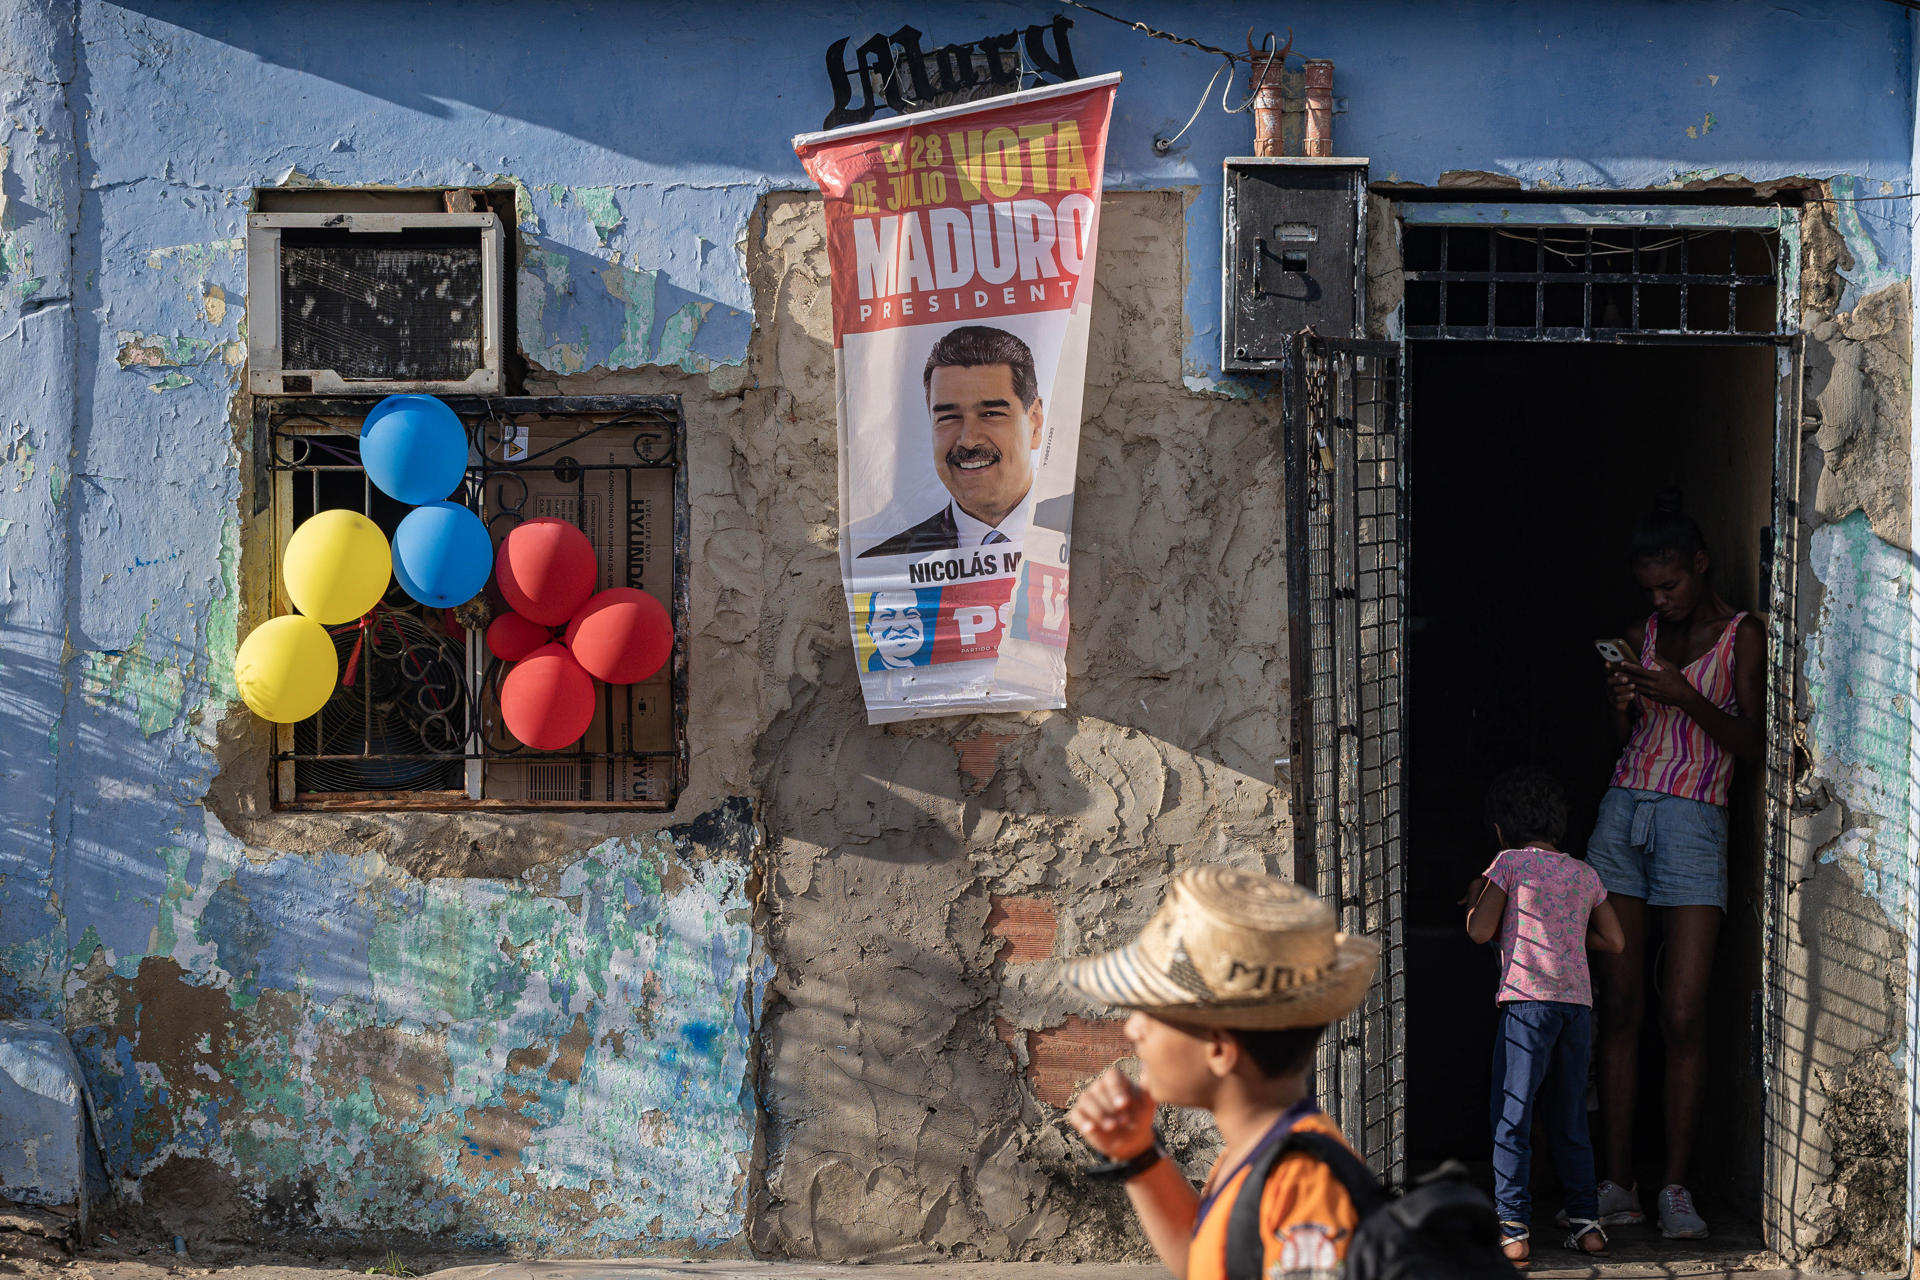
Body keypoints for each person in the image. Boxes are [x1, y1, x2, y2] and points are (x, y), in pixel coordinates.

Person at [1588, 490, 1765, 1240]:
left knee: (1684, 1012)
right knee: (1620, 1006)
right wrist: (1623, 699)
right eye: (1650, 590)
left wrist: (1684, 695)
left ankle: (1677, 1188)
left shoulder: (1743, 635)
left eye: (1671, 584)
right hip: (1623, 813)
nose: (1660, 600)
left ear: (1701, 564)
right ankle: (1617, 1183)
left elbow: (1752, 745)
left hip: (1696, 821)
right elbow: (1627, 741)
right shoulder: (1643, 636)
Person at [1061, 867, 1379, 1280]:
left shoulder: (1304, 1184)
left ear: (1218, 1049)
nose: (1132, 1029)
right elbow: (1210, 1262)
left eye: (1152, 1011)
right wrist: (1137, 1153)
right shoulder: (1252, 1152)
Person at [1465, 767, 1626, 1263]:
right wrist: (1566, 935)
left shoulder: (1508, 864)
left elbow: (1479, 930)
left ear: (1500, 829)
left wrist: (1476, 896)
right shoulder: (1584, 874)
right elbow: (1616, 941)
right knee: (1570, 1117)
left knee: (1512, 1116)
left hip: (1527, 1007)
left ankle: (1513, 1229)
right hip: (1576, 1008)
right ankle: (1587, 1226)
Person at [859, 325, 1044, 557]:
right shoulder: (884, 563)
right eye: (949, 418)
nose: (968, 440)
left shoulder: (1082, 535)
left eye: (990, 414)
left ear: (1035, 423)